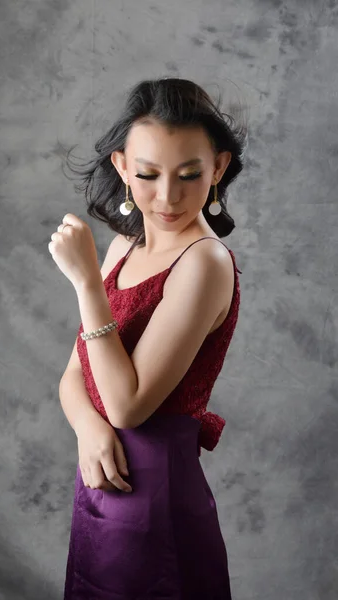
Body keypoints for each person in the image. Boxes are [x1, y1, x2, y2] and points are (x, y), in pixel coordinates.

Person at [58, 77, 247, 599]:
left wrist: (84, 283)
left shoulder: (204, 263)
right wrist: (86, 429)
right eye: (147, 174)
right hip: (100, 478)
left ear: (219, 169)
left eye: (189, 175)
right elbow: (75, 375)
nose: (166, 197)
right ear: (122, 167)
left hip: (155, 493)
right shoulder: (124, 245)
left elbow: (128, 407)